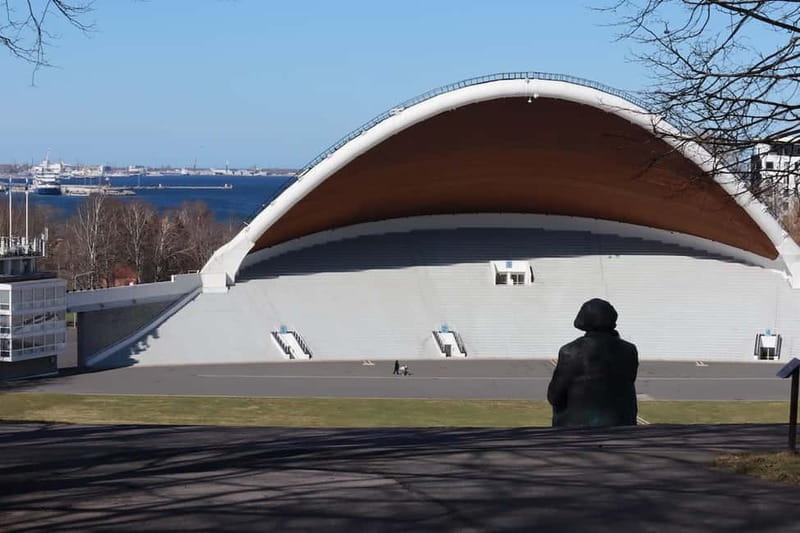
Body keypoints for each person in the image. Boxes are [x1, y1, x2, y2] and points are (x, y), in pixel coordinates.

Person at [547, 298, 638, 427]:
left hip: (577, 429)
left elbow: (554, 396)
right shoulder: (630, 350)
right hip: (622, 424)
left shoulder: (570, 351)